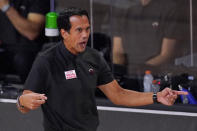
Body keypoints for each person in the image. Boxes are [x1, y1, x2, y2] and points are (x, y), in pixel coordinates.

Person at [17, 7, 187, 131]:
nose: (85, 35)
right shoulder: (47, 60)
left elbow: (119, 95)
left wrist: (157, 96)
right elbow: (24, 103)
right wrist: (23, 102)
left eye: (87, 29)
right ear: (64, 33)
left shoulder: (93, 57)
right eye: (79, 30)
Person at [113, 0, 183, 75]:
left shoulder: (169, 8)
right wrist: (120, 73)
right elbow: (117, 51)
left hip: (156, 74)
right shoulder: (122, 8)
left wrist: (139, 71)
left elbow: (166, 54)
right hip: (127, 74)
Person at [0, 0, 50, 83]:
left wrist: (6, 8)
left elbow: (32, 33)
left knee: (22, 60)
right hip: (5, 50)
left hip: (30, 51)